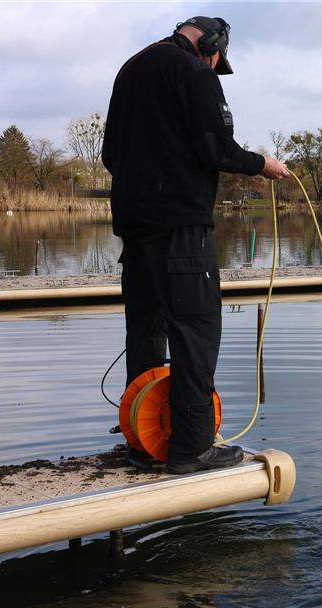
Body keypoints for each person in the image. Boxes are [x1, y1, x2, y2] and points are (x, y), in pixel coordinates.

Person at [101, 16, 289, 474]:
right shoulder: (196, 73)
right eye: (216, 56)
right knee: (196, 331)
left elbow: (109, 155)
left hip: (135, 230)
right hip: (181, 229)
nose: (214, 63)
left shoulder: (130, 70)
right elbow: (217, 149)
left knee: (146, 331)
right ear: (211, 44)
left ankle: (144, 441)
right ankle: (191, 448)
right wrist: (261, 163)